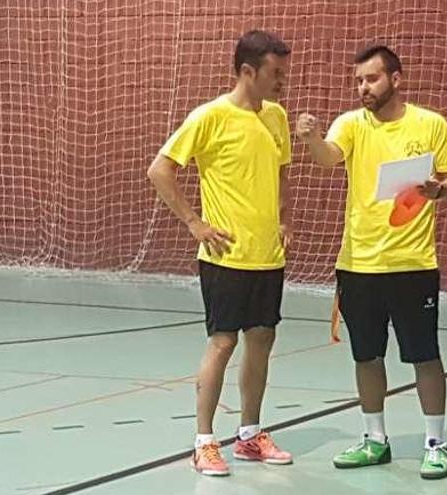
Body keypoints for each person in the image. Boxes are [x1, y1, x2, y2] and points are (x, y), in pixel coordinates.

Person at [295, 44, 447, 480]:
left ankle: (435, 443)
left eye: (371, 79)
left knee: (424, 355)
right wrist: (312, 139)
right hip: (358, 264)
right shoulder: (351, 124)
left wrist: (438, 191)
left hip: (413, 264)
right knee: (367, 356)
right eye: (358, 80)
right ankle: (375, 438)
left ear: (396, 78)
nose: (363, 87)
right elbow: (328, 159)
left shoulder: (430, 124)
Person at [147, 30, 294, 477]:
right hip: (225, 256)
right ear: (247, 71)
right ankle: (205, 442)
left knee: (262, 340)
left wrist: (284, 219)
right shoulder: (208, 117)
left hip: (267, 255)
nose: (282, 82)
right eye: (275, 73)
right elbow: (160, 170)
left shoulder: (278, 118)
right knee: (223, 342)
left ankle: (249, 435)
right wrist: (194, 222)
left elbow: (282, 172)